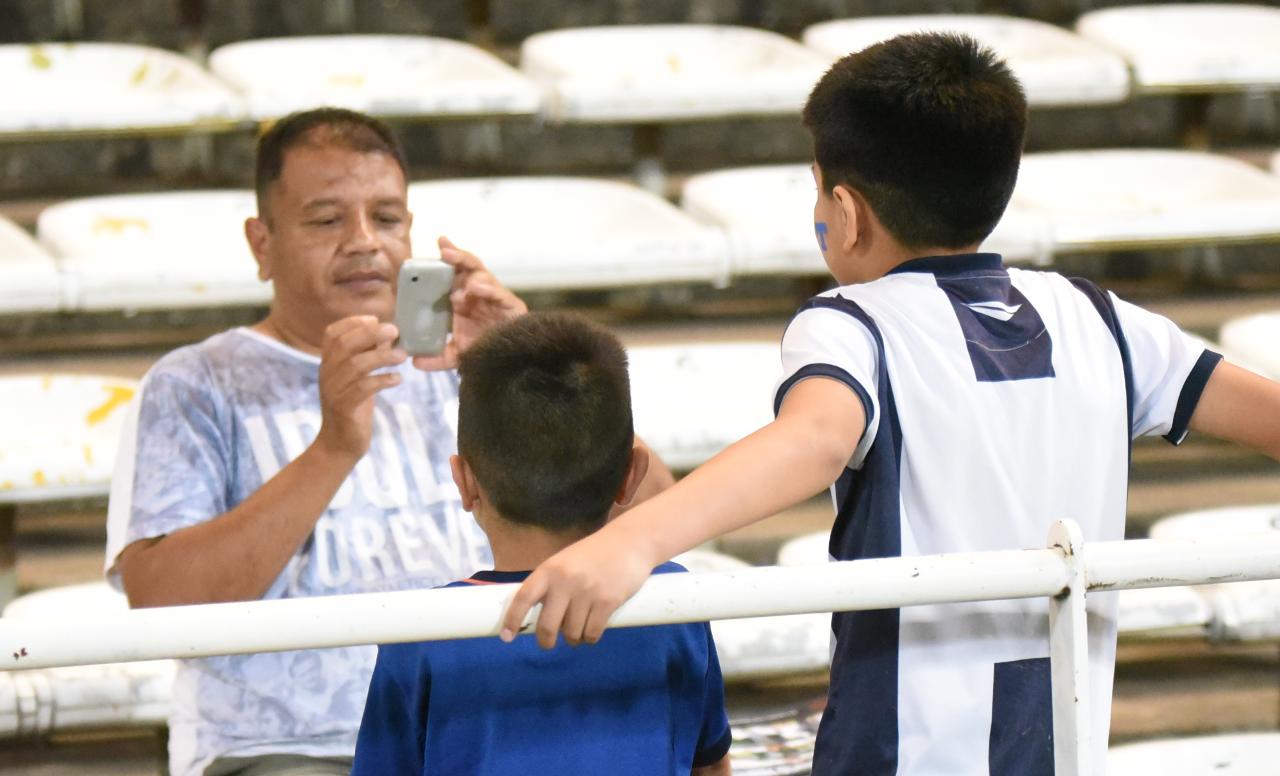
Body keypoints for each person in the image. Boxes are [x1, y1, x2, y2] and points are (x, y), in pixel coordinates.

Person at [499, 33, 1280, 776]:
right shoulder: (1098, 315)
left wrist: (628, 543)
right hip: (1062, 749)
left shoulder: (851, 321)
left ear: (846, 211)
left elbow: (814, 441)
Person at [100, 108, 671, 776]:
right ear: (263, 244)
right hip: (293, 750)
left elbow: (655, 514)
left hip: (489, 725)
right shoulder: (195, 384)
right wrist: (333, 448)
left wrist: (530, 361)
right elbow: (163, 604)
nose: (364, 242)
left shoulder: (470, 367)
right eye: (325, 220)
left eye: (388, 217)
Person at [351, 312, 732, 776]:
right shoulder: (677, 604)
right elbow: (709, 766)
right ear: (633, 475)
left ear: (464, 482)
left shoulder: (419, 637)